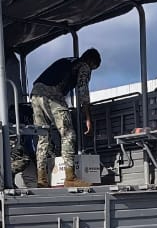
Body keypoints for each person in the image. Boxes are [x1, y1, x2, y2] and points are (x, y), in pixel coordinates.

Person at [27, 48, 101, 188]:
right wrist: (88, 118)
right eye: (93, 68)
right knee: (68, 134)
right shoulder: (83, 66)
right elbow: (83, 91)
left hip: (36, 93)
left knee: (43, 136)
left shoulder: (67, 60)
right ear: (91, 61)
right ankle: (70, 178)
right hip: (52, 93)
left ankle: (42, 180)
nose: (91, 71)